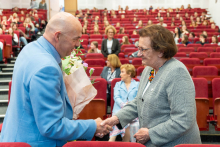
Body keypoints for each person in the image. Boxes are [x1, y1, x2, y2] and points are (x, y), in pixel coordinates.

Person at [0, 12, 112, 147]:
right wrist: (93, 126)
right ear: (58, 36)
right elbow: (52, 126)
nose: (77, 45)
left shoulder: (29, 49)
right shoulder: (46, 68)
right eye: (75, 39)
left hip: (16, 136)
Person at [100, 24, 201, 146]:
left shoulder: (177, 72)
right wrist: (116, 119)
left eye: (143, 49)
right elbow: (139, 101)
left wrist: (151, 133)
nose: (138, 54)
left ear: (161, 51)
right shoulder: (149, 69)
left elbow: (184, 120)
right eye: (139, 48)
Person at [109, 64, 139, 142]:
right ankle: (109, 143)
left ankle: (127, 143)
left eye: (122, 72)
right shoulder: (118, 84)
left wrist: (129, 107)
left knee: (129, 125)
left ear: (129, 74)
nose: (120, 74)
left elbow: (138, 99)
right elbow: (116, 97)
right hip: (118, 111)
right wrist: (124, 105)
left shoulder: (137, 85)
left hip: (132, 112)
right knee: (117, 123)